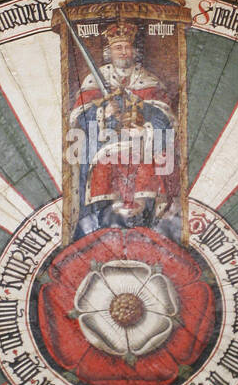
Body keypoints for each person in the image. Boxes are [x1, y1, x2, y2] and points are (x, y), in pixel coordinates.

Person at [69, 21, 177, 238]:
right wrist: (103, 112)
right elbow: (80, 115)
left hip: (140, 144)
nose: (123, 52)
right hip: (102, 144)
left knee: (152, 162)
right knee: (100, 163)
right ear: (110, 52)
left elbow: (164, 116)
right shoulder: (95, 78)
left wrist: (145, 130)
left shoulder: (147, 80)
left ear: (134, 52)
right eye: (118, 47)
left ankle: (145, 226)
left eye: (127, 47)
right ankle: (101, 226)